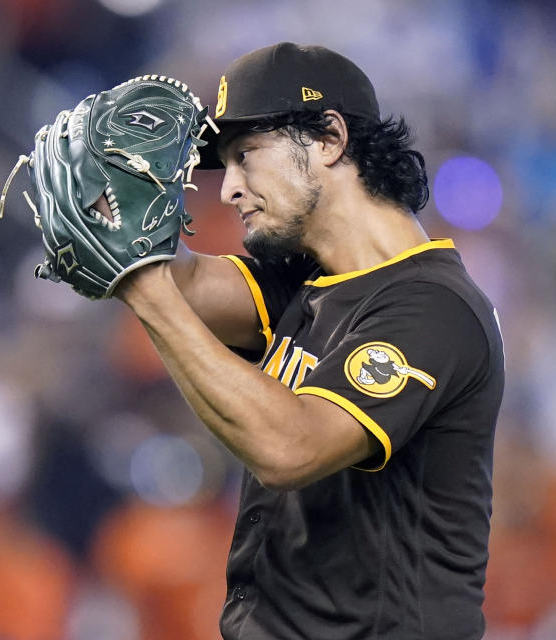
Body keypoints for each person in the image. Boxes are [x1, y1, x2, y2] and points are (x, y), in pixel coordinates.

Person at [113, 42, 505, 640]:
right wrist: (110, 210)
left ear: (328, 138)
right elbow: (182, 282)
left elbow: (290, 447)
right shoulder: (305, 277)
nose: (228, 190)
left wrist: (140, 287)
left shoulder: (435, 307)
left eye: (245, 155)